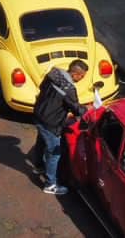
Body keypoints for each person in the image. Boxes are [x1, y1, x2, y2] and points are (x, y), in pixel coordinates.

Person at [29, 60, 88, 195]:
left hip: (39, 114)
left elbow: (42, 88)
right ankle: (50, 184)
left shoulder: (53, 74)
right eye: (82, 76)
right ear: (76, 74)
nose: (82, 78)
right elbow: (76, 108)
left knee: (41, 141)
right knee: (54, 152)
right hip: (51, 123)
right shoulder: (69, 89)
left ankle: (38, 166)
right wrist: (87, 110)